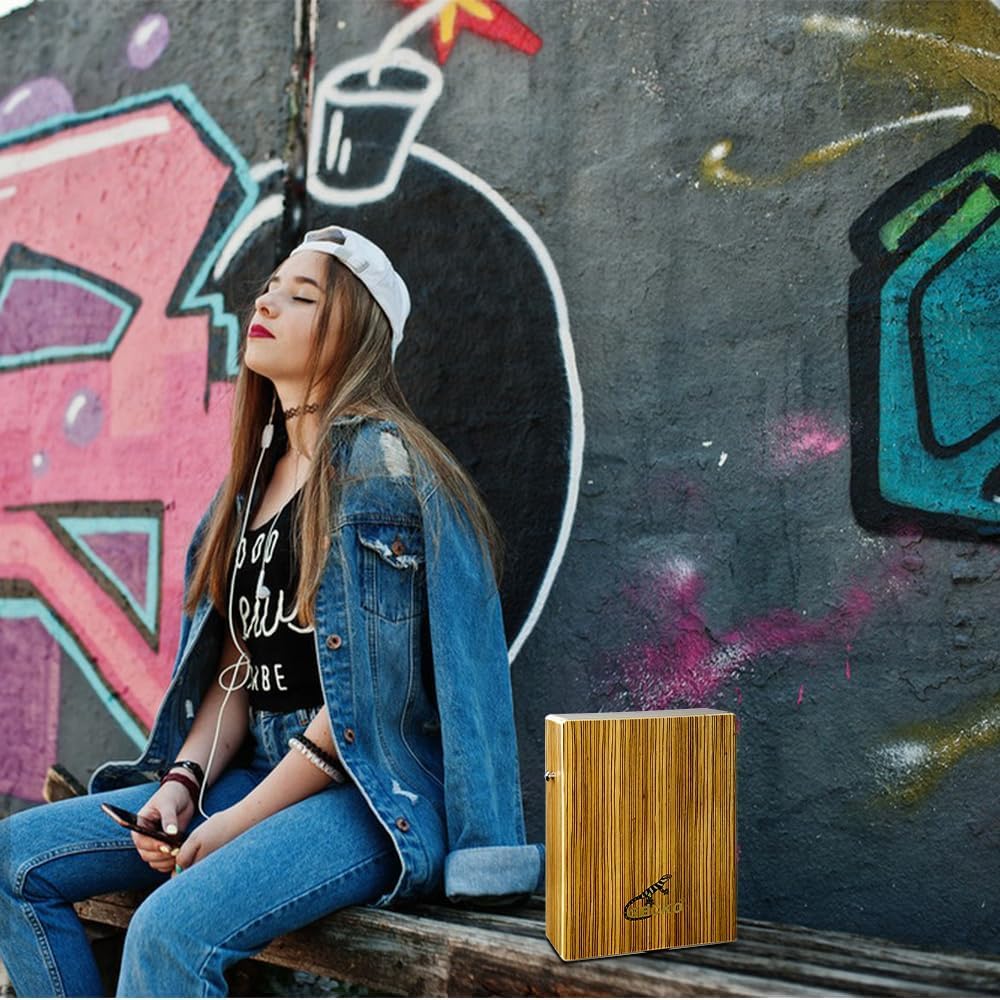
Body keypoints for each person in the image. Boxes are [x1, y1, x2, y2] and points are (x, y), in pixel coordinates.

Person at [0, 225, 544, 997]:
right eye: (270, 286)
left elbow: (368, 702)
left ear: (352, 326)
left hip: (364, 790)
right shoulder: (248, 486)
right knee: (16, 861)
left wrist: (234, 822)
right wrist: (184, 785)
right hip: (253, 765)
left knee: (167, 935)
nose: (267, 300)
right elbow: (237, 666)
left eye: (302, 294)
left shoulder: (382, 472)